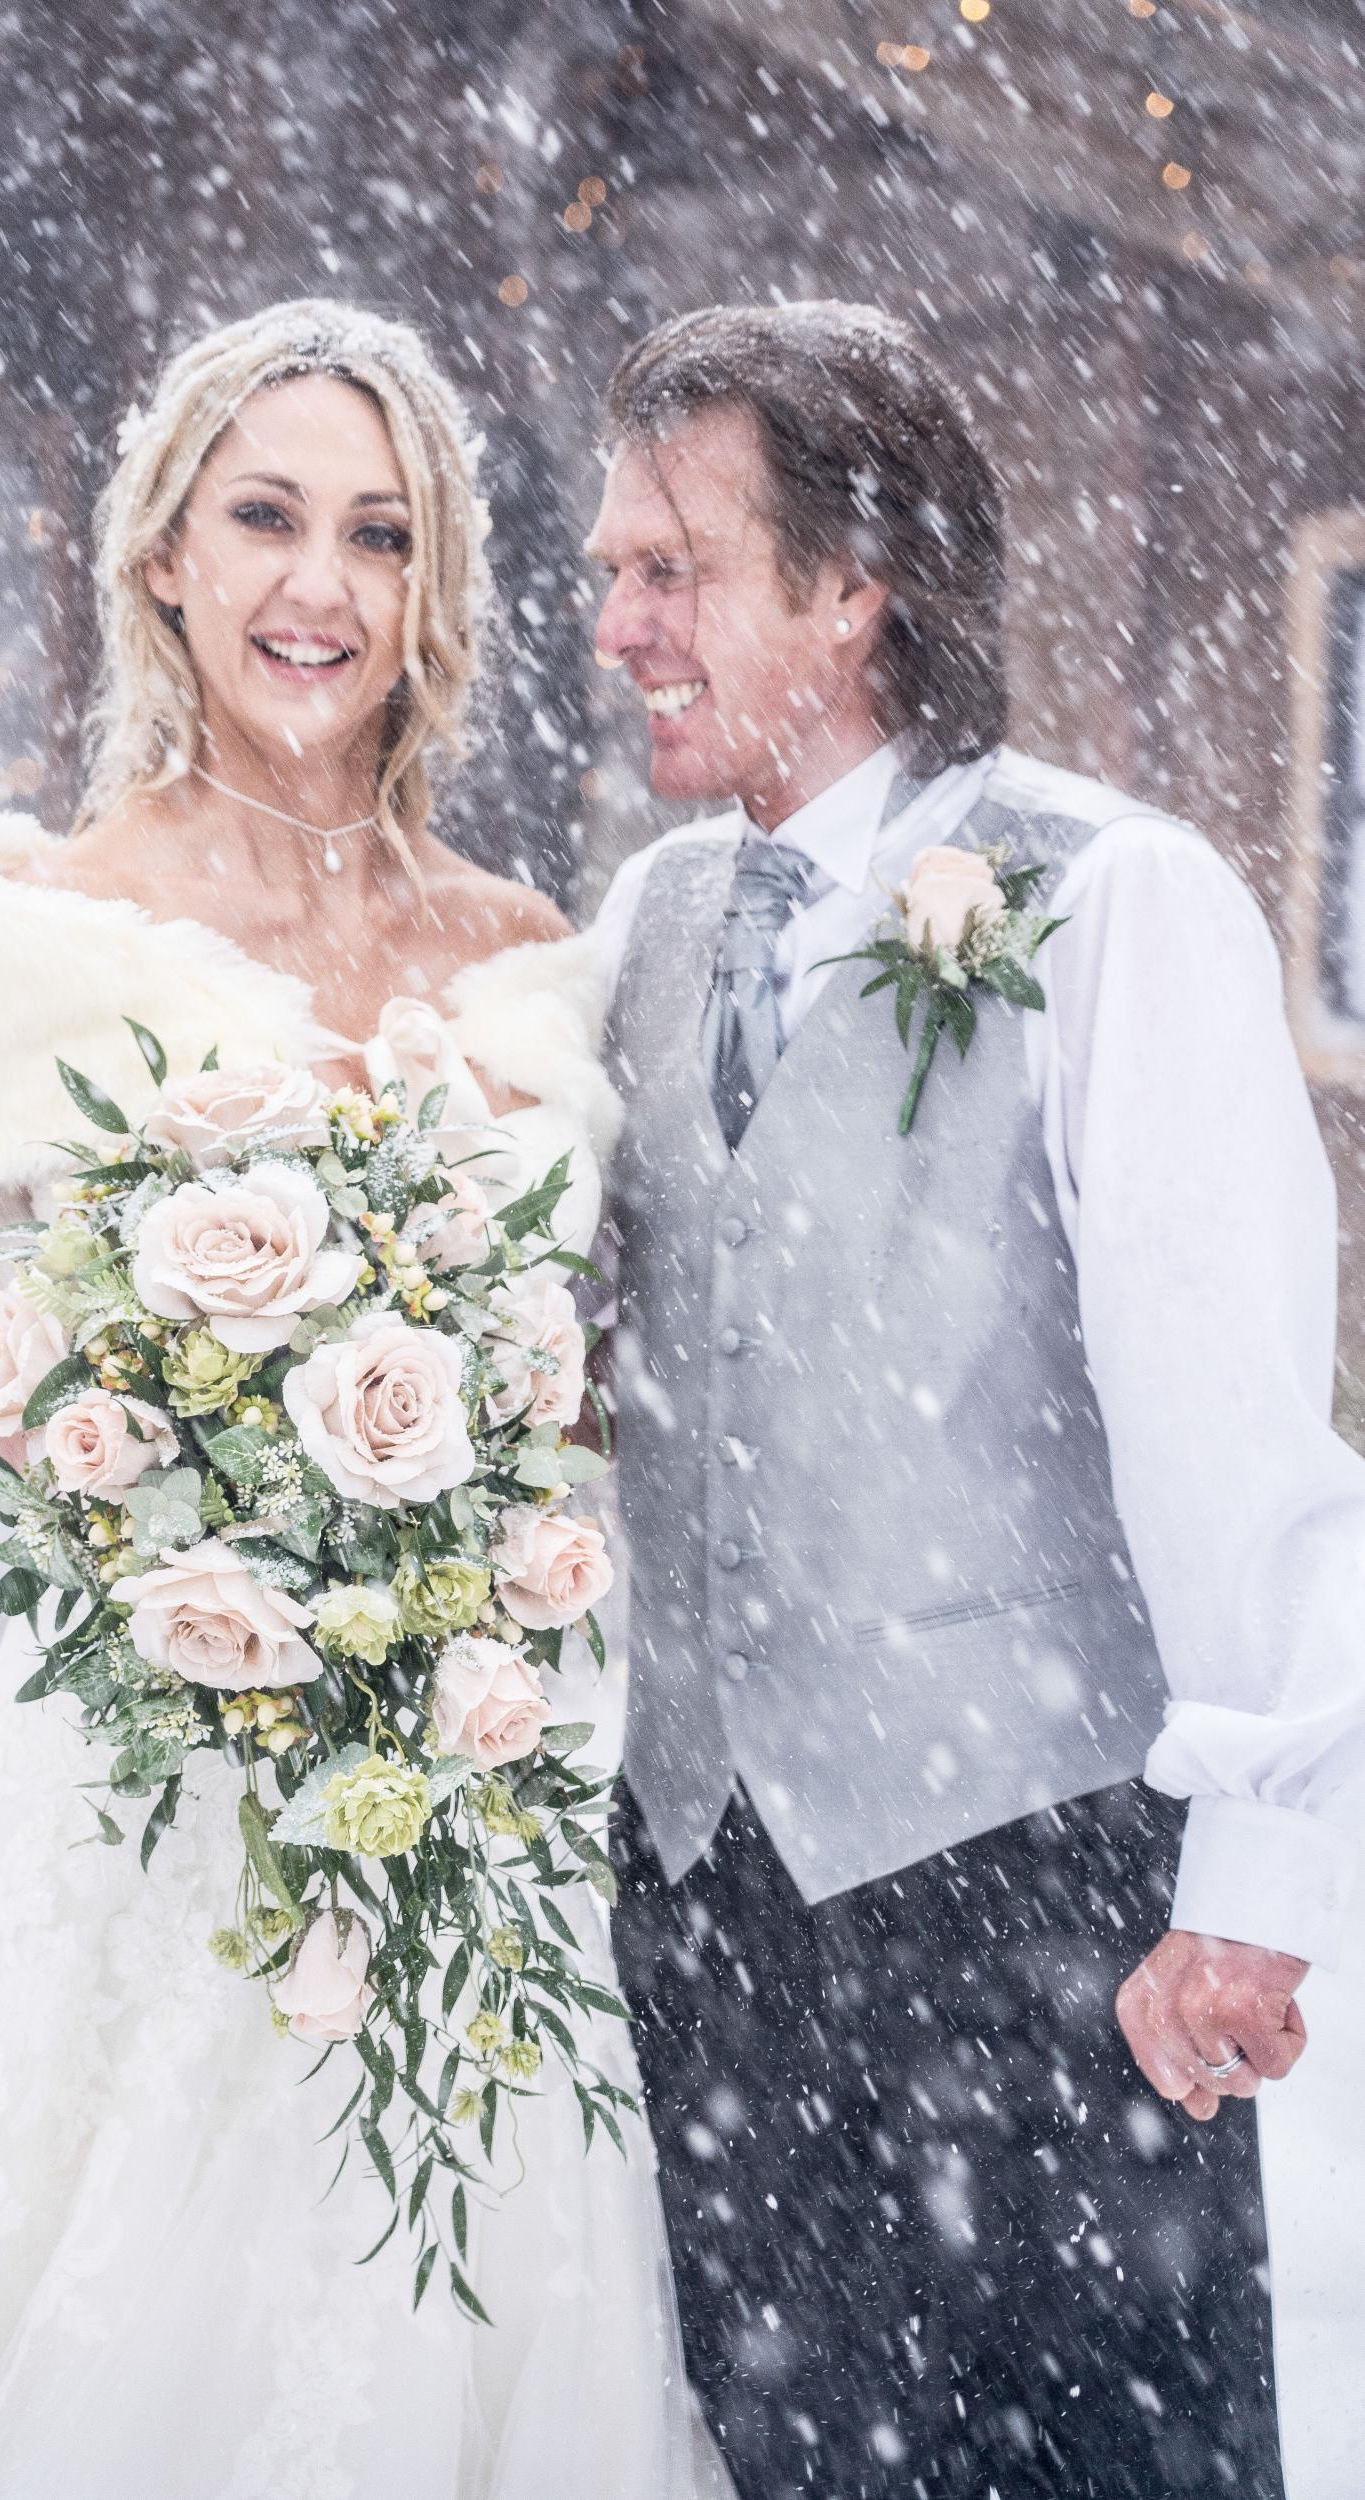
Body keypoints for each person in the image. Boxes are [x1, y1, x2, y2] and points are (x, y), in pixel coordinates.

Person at [0, 300, 722, 2500]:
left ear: (433, 583)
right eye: (265, 517)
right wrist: (118, 1448)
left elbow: (588, 1365)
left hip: (469, 1812)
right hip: (145, 1802)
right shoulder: (30, 925)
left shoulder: (523, 946)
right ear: (161, 549)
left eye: (377, 532)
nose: (317, 586)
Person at [584, 300, 1363, 2498]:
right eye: (611, 567)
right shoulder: (642, 917)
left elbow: (1236, 1423)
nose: (620, 620)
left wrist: (1258, 1867)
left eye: (674, 567)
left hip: (1020, 1906)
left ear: (857, 589)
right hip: (705, 1910)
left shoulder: (1115, 901)